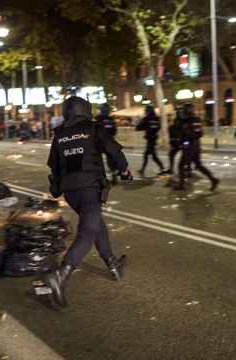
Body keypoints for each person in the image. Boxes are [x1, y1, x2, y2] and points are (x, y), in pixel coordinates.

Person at [45, 96, 132, 308]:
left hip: (71, 193)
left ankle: (112, 263)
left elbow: (54, 165)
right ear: (85, 110)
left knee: (96, 226)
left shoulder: (60, 135)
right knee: (87, 232)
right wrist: (124, 170)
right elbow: (114, 151)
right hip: (90, 189)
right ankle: (61, 275)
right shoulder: (93, 128)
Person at [175, 103, 219, 191]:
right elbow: (201, 133)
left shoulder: (186, 121)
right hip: (196, 145)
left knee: (181, 165)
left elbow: (186, 134)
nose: (183, 111)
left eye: (184, 109)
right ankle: (213, 179)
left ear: (187, 110)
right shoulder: (196, 119)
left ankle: (181, 185)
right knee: (198, 165)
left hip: (189, 146)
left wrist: (185, 141)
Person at [136, 105, 165, 176]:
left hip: (150, 139)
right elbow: (159, 127)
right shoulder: (156, 118)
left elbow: (138, 127)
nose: (145, 112)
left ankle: (162, 168)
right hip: (154, 138)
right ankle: (143, 170)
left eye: (146, 111)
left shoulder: (147, 119)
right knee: (149, 155)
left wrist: (140, 122)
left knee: (151, 156)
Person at [94, 103, 119, 184]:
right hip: (109, 141)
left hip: (100, 142)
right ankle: (114, 176)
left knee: (97, 159)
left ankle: (100, 178)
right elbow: (114, 131)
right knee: (110, 160)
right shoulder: (111, 119)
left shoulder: (98, 118)